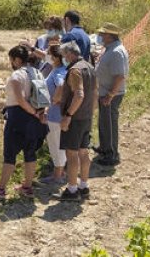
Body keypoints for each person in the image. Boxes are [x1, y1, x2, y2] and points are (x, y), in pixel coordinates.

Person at [0, 44, 48, 200]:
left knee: (10, 154)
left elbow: (20, 99)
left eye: (11, 59)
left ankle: (1, 188)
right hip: (36, 117)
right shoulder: (38, 73)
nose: (10, 63)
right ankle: (27, 186)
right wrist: (38, 114)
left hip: (19, 117)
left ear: (17, 60)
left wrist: (31, 111)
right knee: (30, 153)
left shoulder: (17, 76)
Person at [56, 41, 96, 202]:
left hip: (75, 118)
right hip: (86, 116)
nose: (64, 58)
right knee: (84, 152)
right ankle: (83, 186)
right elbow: (95, 93)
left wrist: (68, 115)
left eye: (64, 55)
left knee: (71, 154)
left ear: (70, 54)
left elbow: (79, 94)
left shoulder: (75, 71)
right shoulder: (90, 67)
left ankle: (72, 189)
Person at [93, 23, 128, 167]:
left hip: (111, 95)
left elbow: (120, 76)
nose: (100, 36)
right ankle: (104, 147)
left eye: (102, 34)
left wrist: (110, 94)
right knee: (104, 122)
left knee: (109, 124)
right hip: (106, 93)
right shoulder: (111, 49)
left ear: (109, 36)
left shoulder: (116, 52)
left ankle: (111, 154)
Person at [40, 44, 68, 184]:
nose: (46, 55)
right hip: (55, 114)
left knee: (56, 144)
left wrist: (55, 99)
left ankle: (58, 175)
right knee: (56, 144)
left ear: (56, 58)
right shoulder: (57, 69)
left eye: (48, 53)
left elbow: (62, 85)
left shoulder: (59, 72)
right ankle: (59, 172)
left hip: (54, 115)